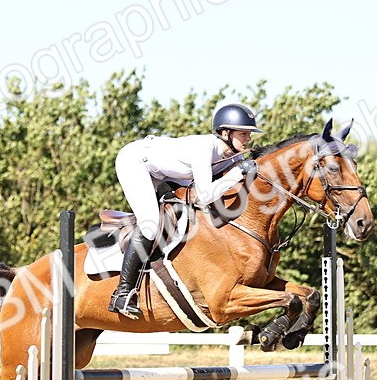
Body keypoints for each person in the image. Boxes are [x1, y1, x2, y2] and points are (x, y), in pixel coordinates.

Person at [108, 102, 262, 318]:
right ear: (225, 133)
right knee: (150, 225)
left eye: (249, 134)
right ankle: (122, 294)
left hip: (165, 175)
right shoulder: (204, 149)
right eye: (243, 133)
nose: (248, 138)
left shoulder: (233, 155)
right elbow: (205, 195)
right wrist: (237, 175)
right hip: (135, 163)